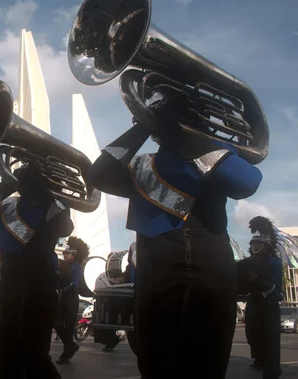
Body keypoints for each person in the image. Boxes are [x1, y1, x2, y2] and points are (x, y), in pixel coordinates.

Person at [89, 112, 262, 378]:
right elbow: (99, 174)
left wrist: (186, 134)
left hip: (210, 276)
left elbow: (248, 182)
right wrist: (144, 125)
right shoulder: (143, 165)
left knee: (207, 363)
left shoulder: (214, 155)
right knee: (155, 364)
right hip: (156, 278)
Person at [0, 164, 74, 379]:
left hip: (40, 286)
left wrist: (50, 187)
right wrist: (9, 181)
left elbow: (66, 227)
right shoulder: (8, 206)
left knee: (34, 357)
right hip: (9, 285)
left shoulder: (55, 206)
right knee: (1, 353)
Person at [237, 216, 283, 379]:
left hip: (269, 301)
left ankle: (272, 370)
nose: (255, 246)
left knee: (270, 337)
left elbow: (276, 287)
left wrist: (259, 282)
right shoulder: (247, 262)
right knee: (252, 335)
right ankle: (260, 359)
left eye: (259, 244)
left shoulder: (274, 261)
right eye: (253, 244)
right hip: (253, 301)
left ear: (267, 246)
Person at [93, 243, 137, 353]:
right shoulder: (134, 246)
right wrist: (121, 279)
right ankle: (109, 340)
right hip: (132, 294)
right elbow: (129, 269)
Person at [55, 236, 89, 364]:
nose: (64, 255)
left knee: (68, 327)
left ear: (73, 255)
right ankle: (71, 346)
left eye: (67, 253)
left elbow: (73, 283)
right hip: (62, 295)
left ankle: (66, 353)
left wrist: (61, 276)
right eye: (64, 253)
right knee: (57, 323)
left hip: (71, 296)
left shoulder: (76, 267)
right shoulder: (63, 266)